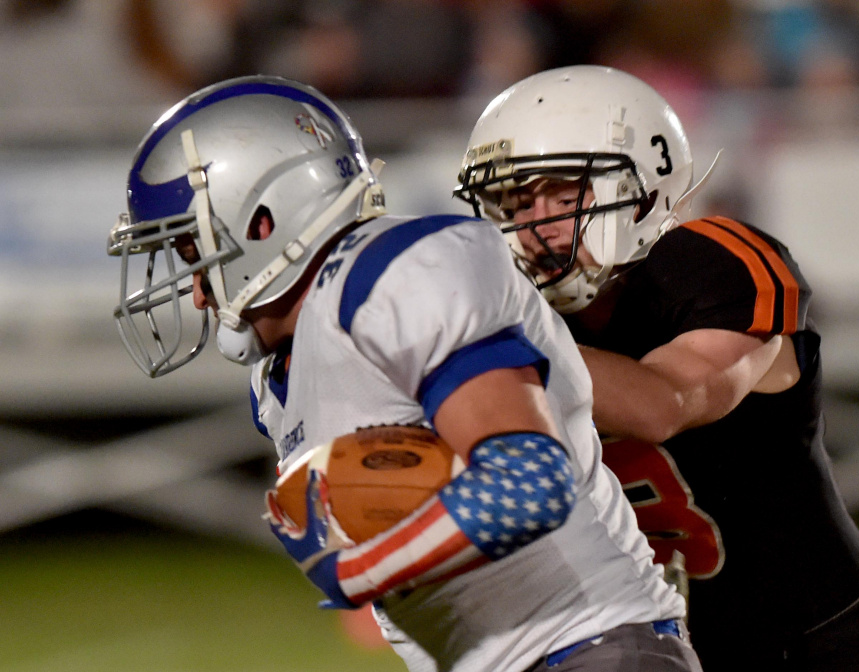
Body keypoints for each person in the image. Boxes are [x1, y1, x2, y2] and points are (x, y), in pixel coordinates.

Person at [107, 75, 702, 672]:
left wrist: (360, 568)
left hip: (592, 647)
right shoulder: (277, 377)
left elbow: (527, 481)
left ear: (262, 220)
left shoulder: (397, 271)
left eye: (193, 253)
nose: (197, 291)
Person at [455, 64, 859, 672]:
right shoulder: (516, 318)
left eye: (565, 195)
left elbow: (663, 403)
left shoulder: (713, 264)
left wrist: (482, 345)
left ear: (645, 188)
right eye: (514, 200)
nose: (535, 227)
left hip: (812, 651)